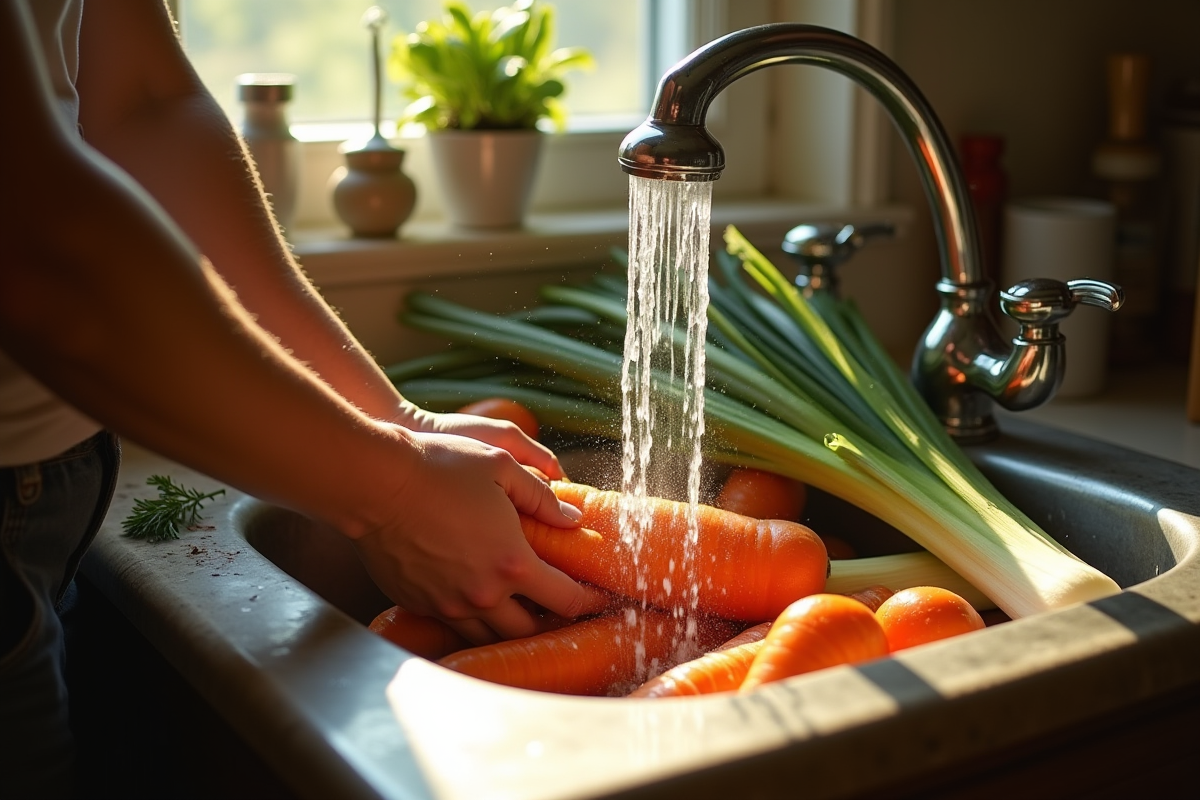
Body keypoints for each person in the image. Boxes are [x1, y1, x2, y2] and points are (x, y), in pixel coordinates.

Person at [0, 2, 601, 795]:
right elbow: (36, 251)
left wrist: (399, 425)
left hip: (47, 489)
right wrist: (391, 491)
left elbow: (141, 104)